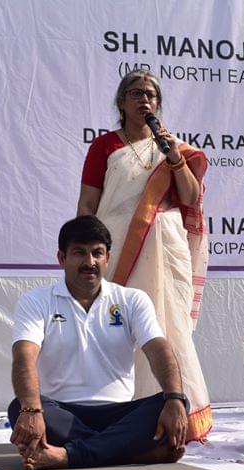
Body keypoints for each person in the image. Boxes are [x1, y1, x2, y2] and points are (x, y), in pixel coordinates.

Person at [77, 69, 212, 441]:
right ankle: (122, 410)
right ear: (121, 103)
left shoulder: (174, 147)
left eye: (151, 95)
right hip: (118, 246)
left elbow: (188, 197)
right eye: (135, 94)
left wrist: (173, 159)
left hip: (167, 249)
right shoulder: (105, 147)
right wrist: (84, 249)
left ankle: (175, 410)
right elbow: (88, 203)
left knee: (169, 325)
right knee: (121, 325)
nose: (144, 101)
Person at [9, 217, 189, 470]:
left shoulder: (131, 299)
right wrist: (31, 411)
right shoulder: (36, 300)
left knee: (173, 401)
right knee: (20, 407)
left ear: (108, 258)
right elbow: (24, 357)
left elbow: (158, 348)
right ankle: (129, 454)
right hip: (63, 414)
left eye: (97, 253)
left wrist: (174, 399)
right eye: (79, 253)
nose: (89, 262)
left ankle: (68, 456)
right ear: (62, 258)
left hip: (120, 415)